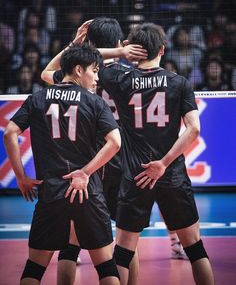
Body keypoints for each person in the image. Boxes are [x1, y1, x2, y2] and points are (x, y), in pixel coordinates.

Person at [98, 23, 214, 285]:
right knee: (195, 249)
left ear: (135, 51)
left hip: (136, 176)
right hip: (171, 174)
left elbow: (86, 56)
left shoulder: (120, 79)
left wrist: (120, 53)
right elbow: (194, 129)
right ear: (162, 49)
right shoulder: (179, 83)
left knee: (123, 254)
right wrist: (163, 163)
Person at [4, 43, 122, 285]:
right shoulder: (94, 102)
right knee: (107, 269)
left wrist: (21, 177)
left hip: (51, 194)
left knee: (34, 269)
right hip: (87, 193)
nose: (97, 78)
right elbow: (115, 142)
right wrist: (86, 172)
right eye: (94, 71)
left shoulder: (37, 98)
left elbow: (9, 133)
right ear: (78, 70)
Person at [41, 17, 147, 285]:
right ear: (120, 43)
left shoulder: (79, 75)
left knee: (71, 240)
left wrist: (74, 46)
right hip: (119, 158)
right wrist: (123, 53)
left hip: (84, 161)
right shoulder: (129, 77)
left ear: (89, 43)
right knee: (126, 238)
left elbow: (46, 74)